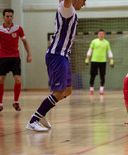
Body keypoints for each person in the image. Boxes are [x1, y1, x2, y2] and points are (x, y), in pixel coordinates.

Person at [26, 0, 86, 131]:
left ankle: (42, 112)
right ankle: (33, 120)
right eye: (84, 0)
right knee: (58, 92)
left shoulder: (69, 10)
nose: (84, 4)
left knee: (68, 90)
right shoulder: (67, 9)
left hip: (63, 56)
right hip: (57, 56)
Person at [0, 8, 32, 112]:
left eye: (11, 16)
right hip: (3, 58)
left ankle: (15, 102)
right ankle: (0, 104)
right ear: (3, 17)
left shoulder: (18, 28)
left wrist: (29, 54)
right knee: (1, 79)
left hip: (15, 57)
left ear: (13, 17)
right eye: (7, 16)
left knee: (18, 79)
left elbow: (25, 42)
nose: (9, 18)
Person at [85, 29, 114, 95]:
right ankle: (91, 89)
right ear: (98, 34)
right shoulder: (94, 41)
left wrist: (111, 60)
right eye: (100, 34)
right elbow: (90, 50)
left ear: (104, 35)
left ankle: (101, 90)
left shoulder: (106, 42)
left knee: (102, 76)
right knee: (92, 75)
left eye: (102, 34)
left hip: (103, 61)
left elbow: (109, 52)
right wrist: (87, 58)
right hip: (94, 61)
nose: (101, 35)